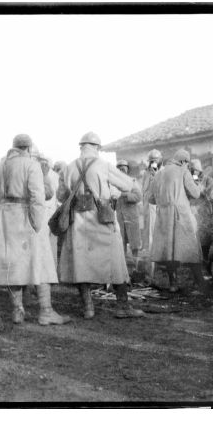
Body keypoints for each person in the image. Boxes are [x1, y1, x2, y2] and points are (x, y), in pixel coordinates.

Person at [0, 135, 69, 325]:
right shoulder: (31, 165)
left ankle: (17, 310)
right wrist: (38, 224)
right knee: (42, 261)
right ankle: (46, 311)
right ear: (28, 148)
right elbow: (37, 196)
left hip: (5, 216)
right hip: (25, 214)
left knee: (13, 264)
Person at [57, 132, 144, 319]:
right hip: (101, 216)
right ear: (97, 147)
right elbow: (128, 185)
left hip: (77, 219)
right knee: (116, 259)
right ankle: (123, 306)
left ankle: (88, 307)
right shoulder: (103, 165)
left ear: (81, 146)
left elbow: (60, 196)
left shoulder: (68, 167)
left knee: (80, 262)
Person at [148, 149, 209, 294]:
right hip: (180, 214)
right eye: (187, 163)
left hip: (163, 215)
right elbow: (195, 193)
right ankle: (200, 284)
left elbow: (151, 199)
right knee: (190, 247)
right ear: (183, 161)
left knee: (169, 250)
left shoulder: (158, 173)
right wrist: (197, 183)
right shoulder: (183, 171)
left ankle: (173, 284)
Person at [115, 159, 142, 261]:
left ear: (127, 170)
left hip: (131, 215)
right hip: (120, 216)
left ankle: (136, 262)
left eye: (123, 168)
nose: (121, 171)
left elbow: (139, 196)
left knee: (134, 241)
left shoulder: (132, 181)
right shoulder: (114, 183)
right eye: (119, 169)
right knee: (121, 240)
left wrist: (125, 195)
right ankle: (124, 263)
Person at [141, 149, 163, 252]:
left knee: (154, 229)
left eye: (155, 161)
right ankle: (147, 249)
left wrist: (156, 175)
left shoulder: (163, 172)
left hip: (156, 205)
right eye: (151, 161)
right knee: (146, 228)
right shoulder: (146, 173)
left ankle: (154, 251)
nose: (153, 163)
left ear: (160, 161)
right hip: (146, 205)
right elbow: (143, 189)